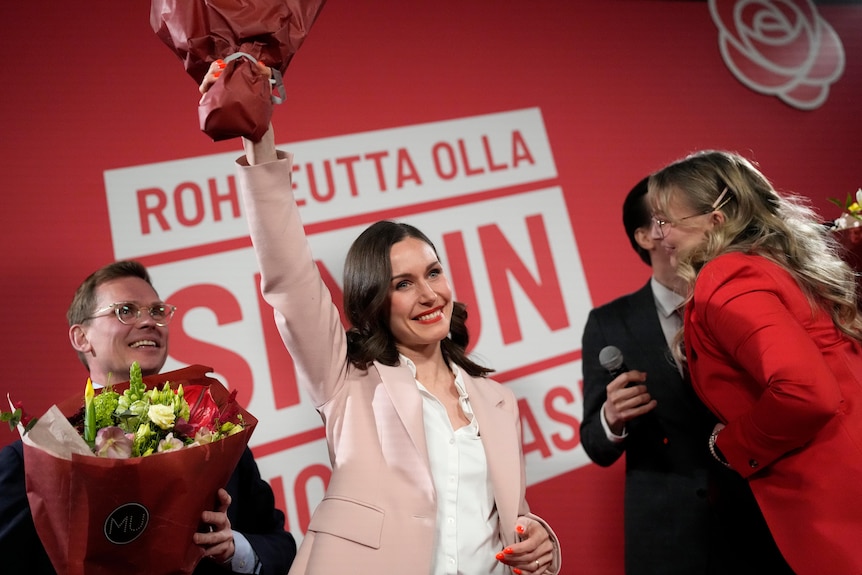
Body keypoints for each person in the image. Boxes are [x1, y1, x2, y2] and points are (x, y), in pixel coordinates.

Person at [199, 63, 562, 575]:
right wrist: (260, 142)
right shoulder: (346, 377)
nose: (428, 293)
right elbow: (291, 278)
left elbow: (511, 520)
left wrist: (540, 540)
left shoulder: (496, 399)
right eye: (403, 284)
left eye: (433, 272)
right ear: (375, 301)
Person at [0, 260, 297, 575]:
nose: (149, 322)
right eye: (125, 311)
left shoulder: (216, 432)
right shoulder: (33, 461)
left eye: (157, 311)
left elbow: (279, 545)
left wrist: (234, 548)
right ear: (81, 338)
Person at [648, 150, 862, 575]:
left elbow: (806, 393)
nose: (660, 235)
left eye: (666, 220)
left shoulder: (725, 277)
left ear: (716, 219)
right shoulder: (778, 260)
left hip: (835, 484)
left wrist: (729, 445)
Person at [580, 177, 793, 574]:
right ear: (646, 236)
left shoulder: (738, 299)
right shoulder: (609, 323)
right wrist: (612, 418)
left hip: (758, 516)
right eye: (668, 215)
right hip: (667, 536)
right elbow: (595, 443)